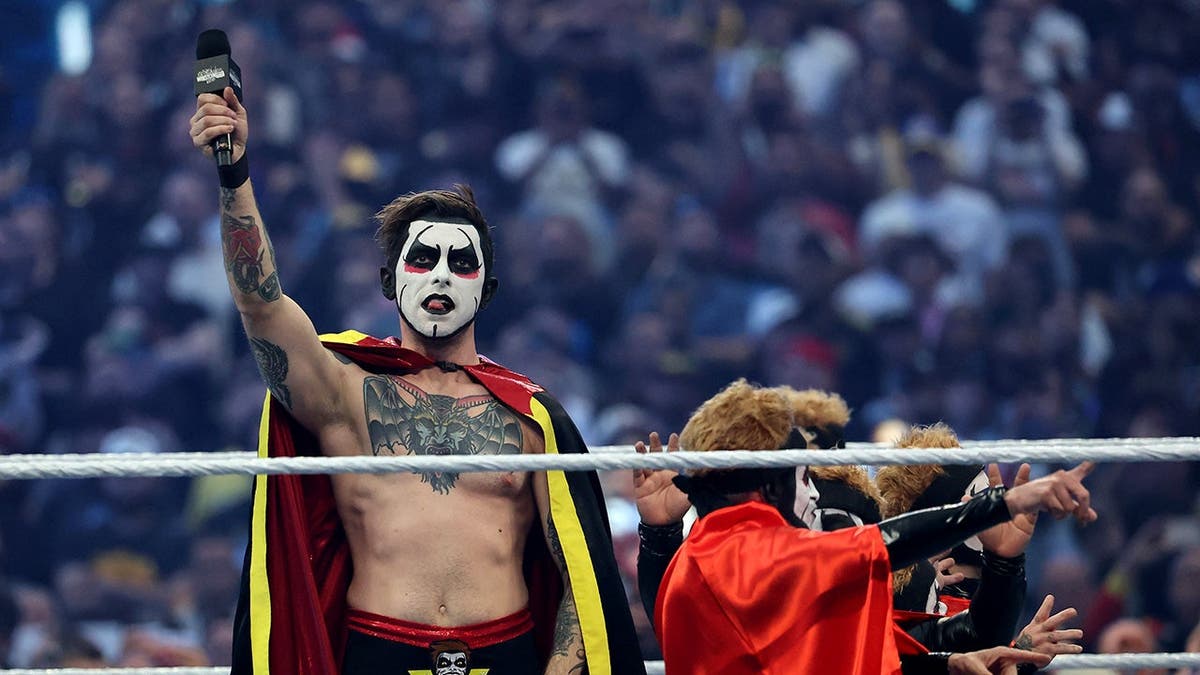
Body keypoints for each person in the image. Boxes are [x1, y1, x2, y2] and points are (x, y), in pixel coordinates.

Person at [190, 85, 644, 675]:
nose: (442, 276)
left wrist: (561, 663)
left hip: (504, 650)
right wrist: (235, 177)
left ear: (487, 290)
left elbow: (579, 573)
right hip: (379, 648)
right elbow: (261, 303)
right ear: (389, 282)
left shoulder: (532, 418)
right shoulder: (345, 395)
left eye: (462, 263)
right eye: (423, 259)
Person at [635, 379, 1095, 674]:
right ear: (771, 484)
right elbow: (890, 542)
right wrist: (1008, 500)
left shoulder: (699, 557)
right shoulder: (759, 555)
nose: (812, 493)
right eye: (801, 477)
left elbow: (903, 653)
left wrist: (955, 664)